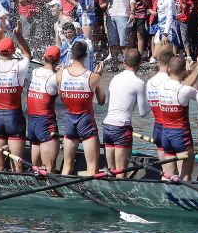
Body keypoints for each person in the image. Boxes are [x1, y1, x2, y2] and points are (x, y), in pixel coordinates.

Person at [0, 23, 31, 171]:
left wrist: (1, 29)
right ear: (12, 52)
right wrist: (18, 35)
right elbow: (27, 54)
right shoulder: (18, 67)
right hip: (14, 117)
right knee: (18, 166)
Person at [58, 39, 106, 175]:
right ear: (86, 56)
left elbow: (61, 97)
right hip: (86, 122)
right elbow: (102, 101)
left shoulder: (60, 74)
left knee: (66, 166)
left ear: (71, 55)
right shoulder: (93, 77)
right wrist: (99, 76)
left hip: (69, 121)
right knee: (92, 167)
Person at [102, 48, 149, 176]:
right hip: (122, 129)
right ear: (140, 64)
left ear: (124, 62)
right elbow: (143, 113)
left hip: (107, 126)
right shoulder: (139, 83)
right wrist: (151, 100)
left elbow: (108, 103)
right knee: (121, 172)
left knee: (110, 172)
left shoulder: (114, 79)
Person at [26, 44, 62, 172]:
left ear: (44, 57)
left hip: (31, 123)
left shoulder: (34, 72)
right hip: (46, 123)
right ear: (58, 60)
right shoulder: (56, 77)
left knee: (36, 169)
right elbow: (65, 97)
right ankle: (52, 190)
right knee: (48, 169)